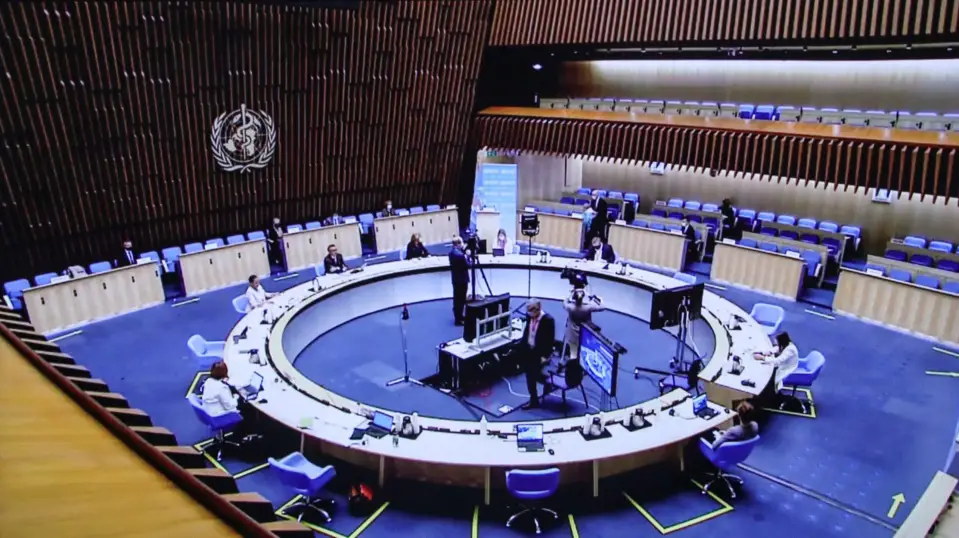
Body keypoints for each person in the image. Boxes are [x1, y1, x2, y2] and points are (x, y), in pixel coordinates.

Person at [200, 361, 254, 436]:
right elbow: (231, 405)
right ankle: (244, 433)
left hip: (209, 411)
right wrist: (236, 397)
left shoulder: (208, 381)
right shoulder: (221, 387)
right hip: (219, 416)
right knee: (247, 408)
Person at [519, 299, 556, 408]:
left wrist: (545, 356)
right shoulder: (529, 316)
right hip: (529, 350)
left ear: (538, 309)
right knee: (530, 374)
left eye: (531, 310)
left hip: (540, 353)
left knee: (532, 375)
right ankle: (545, 386)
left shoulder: (548, 320)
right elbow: (527, 332)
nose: (529, 312)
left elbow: (550, 340)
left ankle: (534, 400)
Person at [563, 289, 605, 359]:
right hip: (584, 334)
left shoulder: (570, 307)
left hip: (572, 335)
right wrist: (599, 299)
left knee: (573, 354)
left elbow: (564, 302)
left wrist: (570, 295)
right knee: (583, 354)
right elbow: (603, 307)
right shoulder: (588, 308)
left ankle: (572, 365)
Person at [448, 236, 471, 325]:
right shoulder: (460, 255)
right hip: (462, 280)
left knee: (457, 299)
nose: (462, 244)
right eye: (461, 243)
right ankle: (459, 319)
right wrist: (468, 256)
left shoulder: (451, 252)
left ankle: (459, 316)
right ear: (457, 244)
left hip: (456, 280)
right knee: (461, 300)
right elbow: (468, 265)